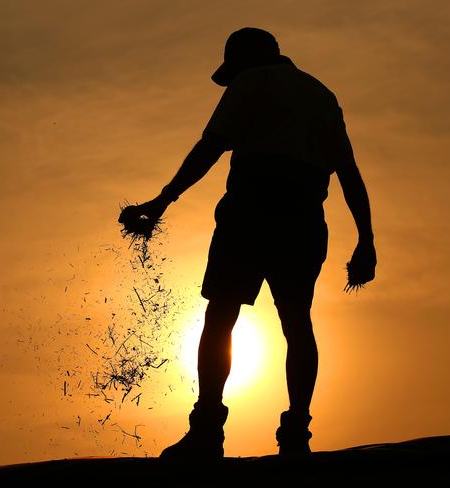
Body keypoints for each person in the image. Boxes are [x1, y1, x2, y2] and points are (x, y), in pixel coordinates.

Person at [119, 27, 376, 459]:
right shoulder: (321, 95)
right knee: (297, 323)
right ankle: (297, 433)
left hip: (250, 212)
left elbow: (211, 146)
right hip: (304, 217)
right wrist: (365, 239)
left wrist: (163, 200)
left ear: (245, 60)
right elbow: (348, 172)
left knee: (221, 316)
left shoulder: (250, 81)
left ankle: (206, 431)